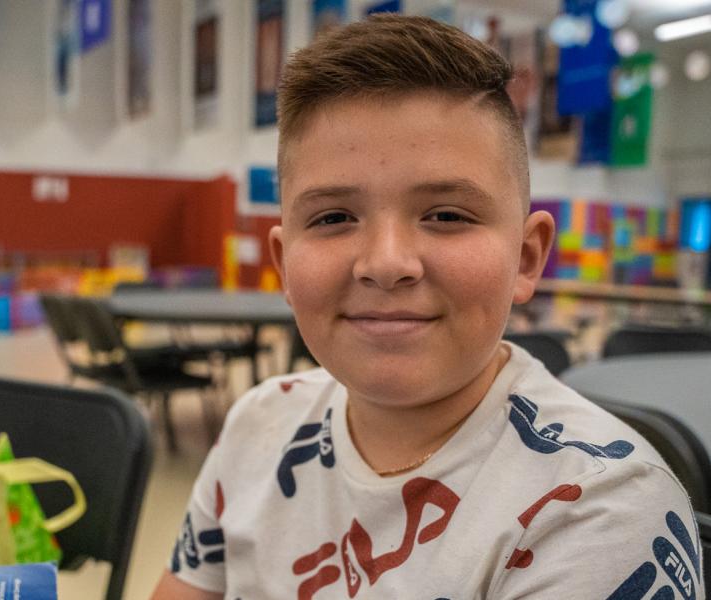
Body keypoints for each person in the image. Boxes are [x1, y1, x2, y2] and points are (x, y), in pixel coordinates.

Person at [152, 15, 703, 599]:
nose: (386, 263)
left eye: (446, 215)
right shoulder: (256, 426)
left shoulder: (595, 514)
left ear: (525, 258)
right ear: (285, 266)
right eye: (334, 217)